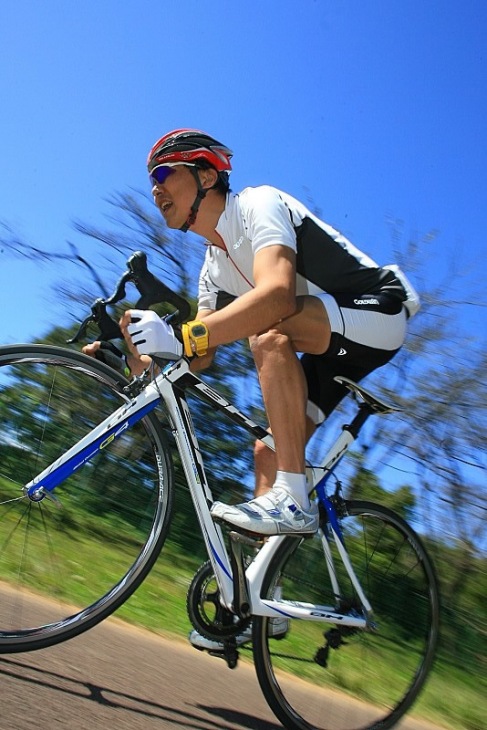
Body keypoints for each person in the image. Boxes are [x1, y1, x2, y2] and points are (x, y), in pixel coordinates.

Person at [86, 128, 417, 538]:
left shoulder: (256, 204)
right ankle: (259, 592)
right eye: (151, 181)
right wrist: (135, 355)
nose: (155, 190)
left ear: (206, 176)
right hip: (324, 346)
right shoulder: (213, 270)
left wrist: (185, 337)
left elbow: (277, 296)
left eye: (162, 174)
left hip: (377, 311)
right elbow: (200, 357)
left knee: (267, 328)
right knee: (270, 452)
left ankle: (292, 501)